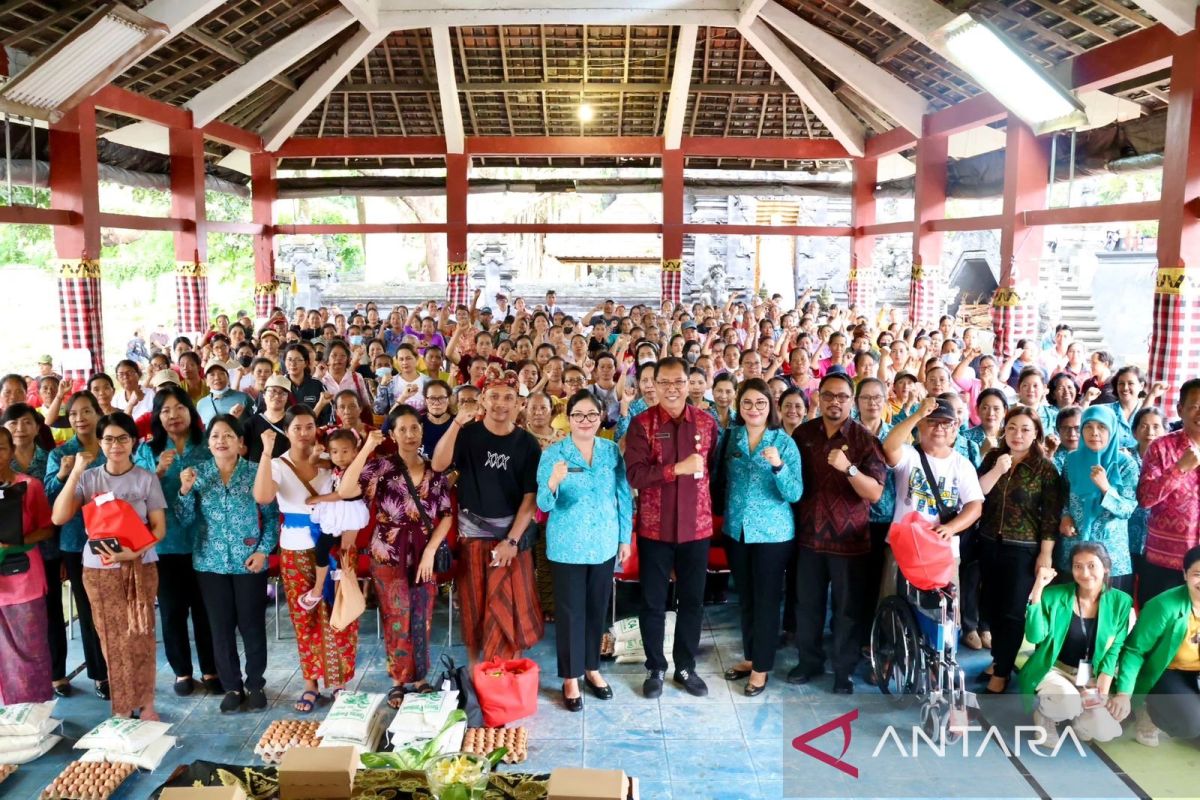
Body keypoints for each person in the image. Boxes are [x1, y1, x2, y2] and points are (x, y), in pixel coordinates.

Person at [51, 412, 167, 720]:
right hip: (98, 570)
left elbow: (158, 529)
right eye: (109, 439)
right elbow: (59, 517)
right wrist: (76, 472)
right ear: (100, 442)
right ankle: (123, 704)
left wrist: (131, 555)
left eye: (123, 438)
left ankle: (147, 704)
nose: (116, 445)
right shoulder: (89, 478)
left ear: (134, 441)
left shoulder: (146, 478)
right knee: (111, 637)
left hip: (140, 565)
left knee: (141, 633)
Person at [432, 372, 544, 663]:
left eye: (508, 397)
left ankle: (508, 675)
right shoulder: (467, 434)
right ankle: (475, 676)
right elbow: (438, 463)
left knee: (512, 611)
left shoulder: (527, 444)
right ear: (482, 399)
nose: (500, 404)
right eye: (493, 396)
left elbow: (530, 499)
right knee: (474, 609)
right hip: (472, 536)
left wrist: (511, 541)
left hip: (510, 539)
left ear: (520, 403)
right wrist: (457, 422)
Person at [624, 356, 719, 698]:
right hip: (655, 529)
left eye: (679, 381)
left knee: (692, 601)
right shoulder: (642, 424)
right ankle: (655, 667)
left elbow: (714, 473)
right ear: (653, 385)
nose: (672, 388)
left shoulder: (707, 423)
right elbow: (634, 474)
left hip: (697, 527)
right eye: (664, 382)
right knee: (652, 601)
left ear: (690, 382)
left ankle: (685, 666)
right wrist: (675, 469)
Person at [342, 413, 452, 707]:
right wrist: (366, 448)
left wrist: (430, 551)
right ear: (392, 435)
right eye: (401, 429)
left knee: (422, 616)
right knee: (395, 617)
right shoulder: (381, 467)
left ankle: (421, 678)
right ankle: (398, 681)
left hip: (423, 554)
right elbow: (345, 489)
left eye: (414, 427)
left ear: (421, 431)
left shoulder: (434, 470)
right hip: (388, 553)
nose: (409, 433)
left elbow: (446, 515)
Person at [253, 405, 358, 712]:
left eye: (309, 426)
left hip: (334, 545)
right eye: (297, 427)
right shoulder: (276, 464)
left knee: (339, 614)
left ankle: (339, 683)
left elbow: (352, 494)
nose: (304, 433)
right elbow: (262, 497)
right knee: (305, 618)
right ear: (287, 430)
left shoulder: (332, 461)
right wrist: (266, 452)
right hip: (295, 548)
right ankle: (311, 683)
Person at [790, 372, 886, 694]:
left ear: (852, 400)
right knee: (808, 605)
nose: (835, 402)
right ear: (818, 396)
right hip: (809, 538)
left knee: (847, 610)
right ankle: (809, 661)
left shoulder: (864, 440)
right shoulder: (803, 434)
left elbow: (874, 493)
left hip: (849, 542)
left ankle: (843, 670)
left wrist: (848, 467)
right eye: (829, 395)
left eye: (842, 396)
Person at [537, 391, 633, 711]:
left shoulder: (609, 452)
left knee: (596, 609)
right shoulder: (555, 454)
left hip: (604, 543)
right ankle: (570, 677)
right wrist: (552, 481)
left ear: (601, 417)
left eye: (592, 415)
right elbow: (542, 503)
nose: (585, 421)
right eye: (578, 415)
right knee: (570, 613)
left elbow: (623, 496)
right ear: (569, 417)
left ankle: (592, 669)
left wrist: (624, 538)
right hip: (567, 546)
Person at [177, 415, 279, 712]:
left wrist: (263, 551)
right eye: (215, 436)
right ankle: (232, 686)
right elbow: (184, 521)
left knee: (252, 625)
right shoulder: (196, 474)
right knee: (220, 628)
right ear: (208, 444)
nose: (221, 441)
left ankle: (255, 684)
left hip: (249, 562)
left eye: (228, 436)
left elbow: (272, 519)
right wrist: (183, 491)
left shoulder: (255, 472)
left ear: (241, 443)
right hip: (210, 563)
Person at [718, 379, 802, 697]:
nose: (754, 409)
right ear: (739, 407)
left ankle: (761, 668)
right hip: (736, 530)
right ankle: (751, 656)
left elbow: (795, 492)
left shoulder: (783, 443)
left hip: (773, 533)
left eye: (761, 403)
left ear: (771, 407)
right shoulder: (732, 438)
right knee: (747, 598)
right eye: (748, 403)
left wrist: (778, 466)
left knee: (766, 601)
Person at [134, 385, 220, 696]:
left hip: (204, 540)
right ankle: (182, 672)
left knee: (205, 609)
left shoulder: (207, 445)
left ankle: (211, 669)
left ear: (190, 411)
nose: (173, 415)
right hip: (165, 543)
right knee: (172, 610)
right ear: (157, 416)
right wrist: (157, 472)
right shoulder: (147, 450)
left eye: (179, 407)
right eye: (166, 410)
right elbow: (135, 496)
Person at [976, 406, 1062, 693]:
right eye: (1012, 427)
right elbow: (975, 494)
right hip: (988, 542)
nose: (1017, 434)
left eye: (1025, 429)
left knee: (1012, 611)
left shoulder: (1045, 469)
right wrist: (998, 469)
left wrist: (1045, 553)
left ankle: (1001, 672)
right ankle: (999, 657)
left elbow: (1051, 516)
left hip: (1023, 548)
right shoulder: (992, 457)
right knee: (989, 604)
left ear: (1036, 432)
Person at [1021, 542, 1131, 744]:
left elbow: (1114, 652)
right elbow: (1034, 637)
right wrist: (1037, 591)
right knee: (1068, 701)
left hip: (1089, 676)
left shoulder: (1121, 601)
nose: (1085, 573)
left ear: (1105, 568)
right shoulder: (1055, 595)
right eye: (1077, 566)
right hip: (1053, 668)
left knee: (1106, 731)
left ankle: (1079, 719)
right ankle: (1045, 716)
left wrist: (1102, 694)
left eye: (1091, 566)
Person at [882, 396, 984, 595]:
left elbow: (975, 506)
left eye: (946, 423)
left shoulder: (962, 465)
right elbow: (889, 447)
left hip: (943, 550)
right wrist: (919, 413)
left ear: (955, 430)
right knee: (892, 604)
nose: (939, 428)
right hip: (903, 546)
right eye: (932, 421)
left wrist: (950, 527)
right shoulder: (909, 455)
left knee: (943, 614)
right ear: (920, 426)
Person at [45, 391, 110, 699]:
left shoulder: (113, 447)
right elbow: (47, 499)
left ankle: (124, 668)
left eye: (86, 412)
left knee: (115, 610)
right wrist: (62, 475)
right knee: (88, 611)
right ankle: (100, 674)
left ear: (98, 413)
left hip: (116, 540)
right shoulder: (61, 454)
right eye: (73, 415)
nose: (80, 418)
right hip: (77, 543)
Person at [2, 403, 68, 694]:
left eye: (2, 448)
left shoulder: (30, 485)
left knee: (34, 643)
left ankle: (39, 706)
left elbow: (47, 526)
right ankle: (13, 712)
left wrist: (15, 543)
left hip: (26, 576)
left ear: (10, 451)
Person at [1109, 545, 1200, 747]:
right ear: (1185, 574)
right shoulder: (1164, 606)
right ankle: (1150, 711)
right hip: (1166, 671)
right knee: (1190, 724)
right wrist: (1124, 694)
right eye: (1197, 574)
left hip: (1196, 674)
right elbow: (1134, 651)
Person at [1060, 405, 1138, 594]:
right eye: (1088, 427)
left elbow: (1127, 509)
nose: (1094, 433)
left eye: (1101, 427)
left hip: (1110, 553)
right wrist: (1064, 516)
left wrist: (1105, 487)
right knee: (1072, 611)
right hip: (1075, 546)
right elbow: (1063, 496)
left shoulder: (1126, 464)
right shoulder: (1072, 460)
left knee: (1109, 613)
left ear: (1112, 430)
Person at [1136, 378, 1200, 604]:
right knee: (1156, 630)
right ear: (1180, 409)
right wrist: (1180, 469)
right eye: (1195, 406)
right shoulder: (1161, 447)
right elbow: (1145, 499)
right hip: (1165, 561)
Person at [299, 429, 370, 612]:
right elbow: (313, 462)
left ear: (355, 452)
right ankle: (319, 588)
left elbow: (341, 494)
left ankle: (347, 589)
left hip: (350, 513)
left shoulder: (360, 471)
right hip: (332, 514)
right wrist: (315, 452)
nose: (339, 456)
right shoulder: (334, 466)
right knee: (322, 548)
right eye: (335, 452)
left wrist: (318, 499)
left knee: (346, 551)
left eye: (345, 451)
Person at [1128, 407, 1167, 578]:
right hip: (1126, 538)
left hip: (1158, 541)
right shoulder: (1123, 459)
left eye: (1156, 426)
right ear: (1134, 432)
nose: (1150, 432)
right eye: (1144, 426)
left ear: (1166, 431)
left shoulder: (1172, 461)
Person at [245, 375, 292, 463]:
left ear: (287, 398)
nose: (277, 395)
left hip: (285, 473)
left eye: (282, 393)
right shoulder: (251, 423)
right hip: (257, 473)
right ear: (264, 395)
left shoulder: (292, 422)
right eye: (273, 391)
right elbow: (244, 453)